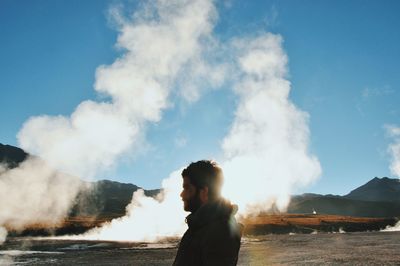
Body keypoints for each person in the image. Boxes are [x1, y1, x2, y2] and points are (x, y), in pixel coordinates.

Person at [173, 160, 242, 266]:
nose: (181, 195)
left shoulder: (220, 231)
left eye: (187, 188)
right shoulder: (198, 226)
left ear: (204, 192)